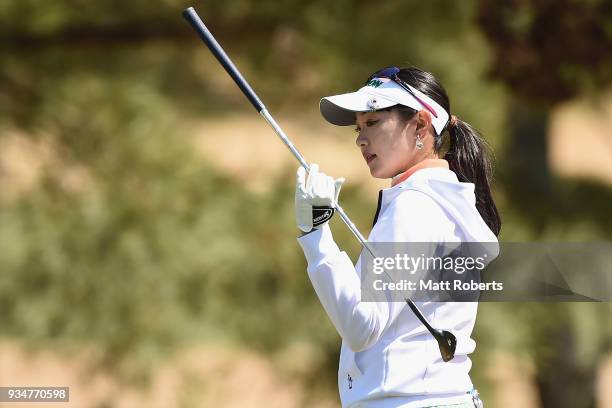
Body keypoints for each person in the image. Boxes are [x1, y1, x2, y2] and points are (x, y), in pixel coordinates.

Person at [294, 66, 501, 408]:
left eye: (373, 122)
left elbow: (363, 326)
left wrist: (316, 235)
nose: (361, 138)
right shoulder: (440, 201)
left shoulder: (415, 206)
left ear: (420, 125)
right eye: (358, 128)